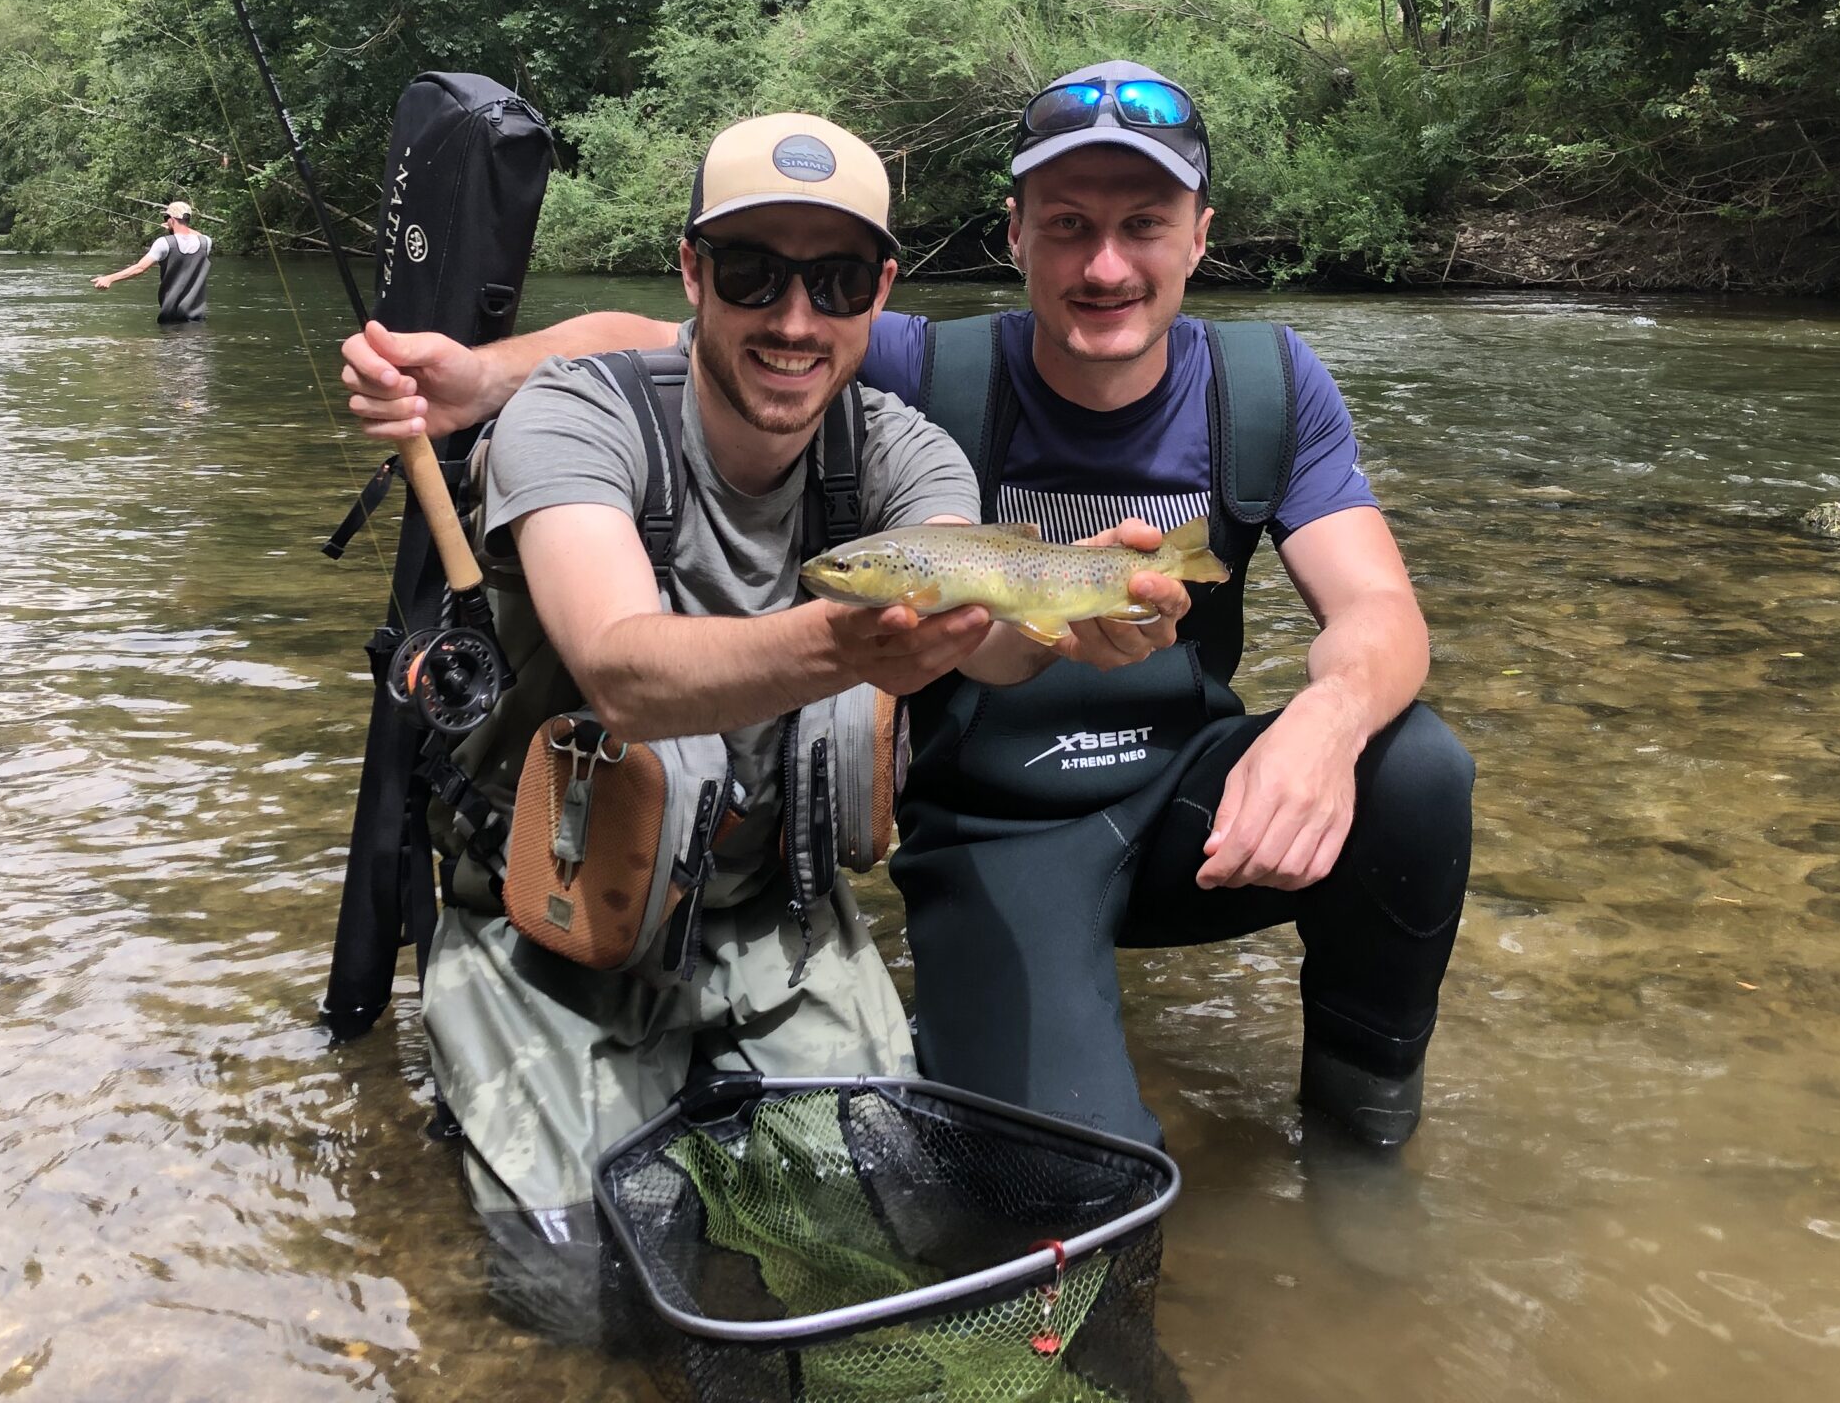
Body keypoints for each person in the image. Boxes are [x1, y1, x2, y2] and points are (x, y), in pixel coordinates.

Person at [343, 67, 1476, 1152]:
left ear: (1200, 236)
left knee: (1414, 767)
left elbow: (1381, 611)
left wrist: (1322, 728)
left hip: (1182, 803)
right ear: (1014, 235)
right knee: (1047, 1189)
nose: (1106, 263)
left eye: (1143, 223)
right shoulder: (908, 364)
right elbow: (662, 344)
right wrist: (487, 379)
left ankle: (1360, 1153)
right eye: (1069, 224)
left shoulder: (1269, 388)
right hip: (995, 828)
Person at [411, 112, 1168, 1331]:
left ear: (880, 289)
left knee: (889, 1260)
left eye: (833, 280)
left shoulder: (907, 458)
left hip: (782, 919)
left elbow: (994, 642)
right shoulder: (576, 419)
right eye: (754, 274)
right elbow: (619, 672)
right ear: (693, 274)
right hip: (555, 933)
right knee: (578, 1304)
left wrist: (1076, 623)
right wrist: (840, 641)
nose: (794, 321)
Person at [92, 201, 212, 321]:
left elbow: (139, 268)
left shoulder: (163, 243)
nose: (165, 220)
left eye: (166, 217)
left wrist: (109, 278)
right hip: (198, 319)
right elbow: (197, 235)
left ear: (172, 219)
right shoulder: (206, 243)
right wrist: (176, 226)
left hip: (171, 319)